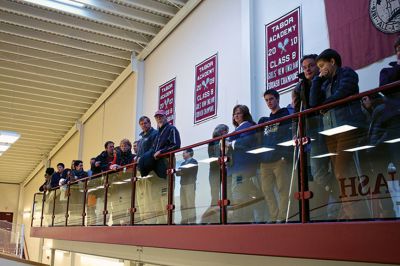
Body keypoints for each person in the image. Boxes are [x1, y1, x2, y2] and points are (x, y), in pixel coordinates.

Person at [310, 48, 368, 220]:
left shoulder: (347, 73)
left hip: (348, 127)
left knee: (341, 171)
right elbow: (314, 103)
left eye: (321, 66)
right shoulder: (325, 83)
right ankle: (348, 210)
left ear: (332, 62)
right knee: (338, 173)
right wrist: (317, 80)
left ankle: (353, 214)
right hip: (331, 132)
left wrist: (325, 105)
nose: (320, 70)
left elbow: (343, 92)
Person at [292, 54, 338, 220]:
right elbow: (297, 113)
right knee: (318, 172)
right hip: (313, 134)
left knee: (337, 167)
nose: (308, 69)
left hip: (331, 128)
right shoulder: (300, 87)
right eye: (304, 68)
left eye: (311, 65)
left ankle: (338, 206)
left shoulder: (327, 79)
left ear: (318, 66)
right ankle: (340, 191)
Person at [258, 89, 293, 223]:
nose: (269, 102)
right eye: (266, 100)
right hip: (265, 161)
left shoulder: (285, 115)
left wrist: (284, 156)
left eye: (271, 99)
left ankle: (282, 217)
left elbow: (288, 136)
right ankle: (274, 216)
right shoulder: (266, 120)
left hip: (279, 159)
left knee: (282, 189)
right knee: (266, 190)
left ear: (277, 99)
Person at [227, 105, 260, 223]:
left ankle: (240, 220)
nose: (235, 115)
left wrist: (231, 144)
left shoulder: (248, 126)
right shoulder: (239, 128)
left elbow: (247, 142)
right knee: (241, 192)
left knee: (238, 192)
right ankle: (245, 218)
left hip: (242, 166)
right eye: (234, 113)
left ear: (245, 114)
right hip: (237, 166)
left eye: (238, 113)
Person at [135, 116, 158, 224]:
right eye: (141, 124)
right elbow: (140, 153)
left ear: (149, 123)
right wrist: (137, 157)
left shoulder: (154, 134)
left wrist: (142, 158)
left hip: (149, 169)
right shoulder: (141, 138)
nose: (144, 125)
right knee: (141, 197)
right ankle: (144, 220)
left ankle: (150, 221)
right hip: (140, 169)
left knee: (149, 197)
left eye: (145, 123)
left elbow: (152, 150)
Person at [175, 148, 198, 224]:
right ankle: (184, 221)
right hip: (183, 185)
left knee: (190, 203)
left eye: (184, 153)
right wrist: (183, 172)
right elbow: (177, 173)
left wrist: (182, 172)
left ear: (189, 153)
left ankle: (192, 221)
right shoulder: (182, 163)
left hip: (190, 185)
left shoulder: (194, 161)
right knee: (183, 204)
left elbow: (189, 171)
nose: (183, 154)